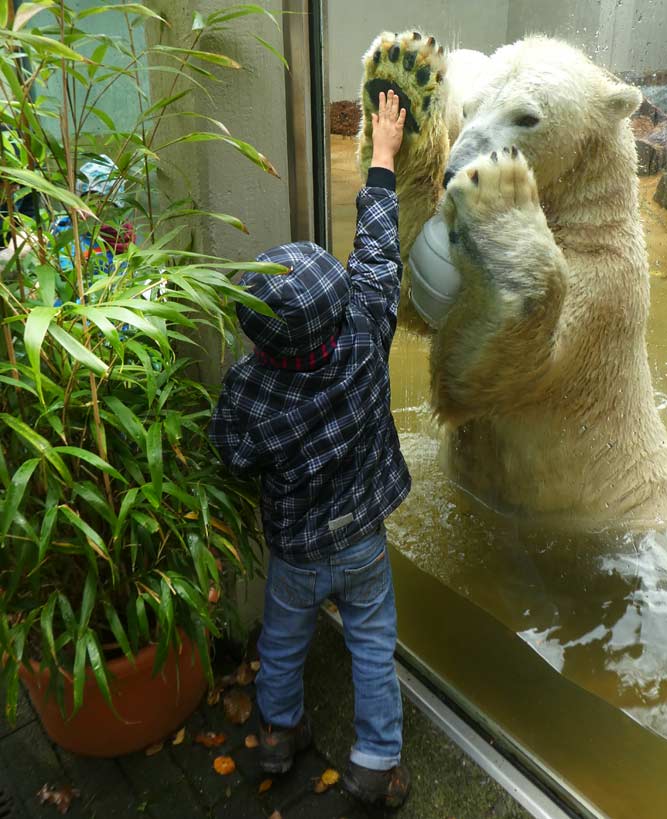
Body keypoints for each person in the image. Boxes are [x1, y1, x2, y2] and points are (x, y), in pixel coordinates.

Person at [209, 90, 411, 809]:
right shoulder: (365, 334)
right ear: (341, 304)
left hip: (294, 547)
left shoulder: (247, 388)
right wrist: (381, 157)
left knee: (285, 641)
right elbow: (380, 254)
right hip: (362, 540)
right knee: (371, 644)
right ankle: (374, 762)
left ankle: (276, 735)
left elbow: (231, 453)